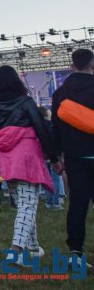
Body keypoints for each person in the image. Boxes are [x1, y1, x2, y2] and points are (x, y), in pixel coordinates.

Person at [0, 65, 59, 262]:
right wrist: (55, 157)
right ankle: (15, 252)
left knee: (24, 203)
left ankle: (33, 248)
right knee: (28, 204)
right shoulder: (25, 101)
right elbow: (41, 128)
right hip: (27, 158)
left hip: (4, 159)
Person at [51, 48, 94, 266]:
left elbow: (55, 129)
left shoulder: (61, 93)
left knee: (77, 205)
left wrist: (56, 157)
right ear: (92, 65)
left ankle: (75, 254)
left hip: (75, 157)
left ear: (71, 66)